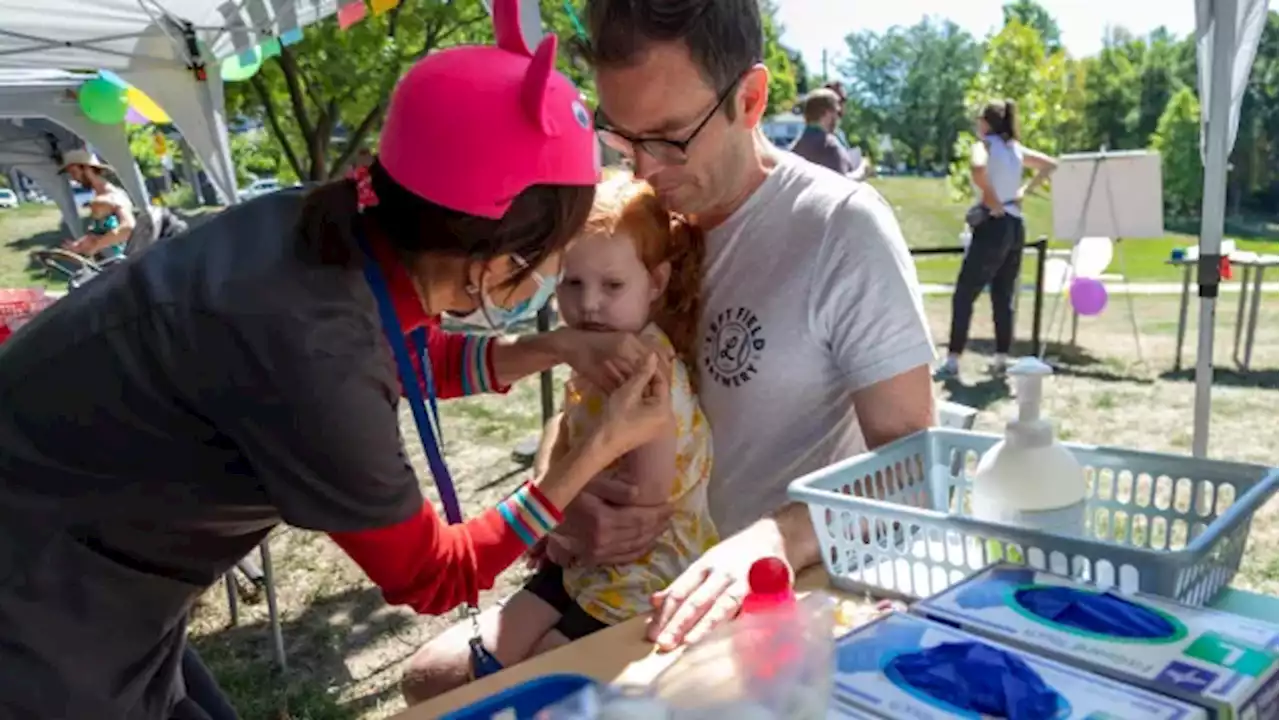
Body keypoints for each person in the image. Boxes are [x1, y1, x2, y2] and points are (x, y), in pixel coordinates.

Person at [0, 6, 672, 718]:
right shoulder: (307, 344)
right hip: (38, 607)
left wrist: (554, 346)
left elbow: (408, 355)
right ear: (494, 261)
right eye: (556, 263)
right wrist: (593, 451)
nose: (553, 282)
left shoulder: (337, 230)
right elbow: (433, 576)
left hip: (97, 569)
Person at [402, 0, 936, 702]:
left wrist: (774, 541)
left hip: (760, 603)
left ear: (750, 99)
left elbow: (914, 471)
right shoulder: (637, 223)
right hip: (620, 573)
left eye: (670, 138)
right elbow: (585, 394)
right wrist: (562, 492)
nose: (647, 168)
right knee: (428, 681)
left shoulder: (840, 228)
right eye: (622, 137)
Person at [408, 178, 716, 696]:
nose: (589, 304)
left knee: (536, 687)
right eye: (573, 284)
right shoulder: (596, 350)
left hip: (641, 577)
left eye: (612, 286)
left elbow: (644, 508)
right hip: (578, 558)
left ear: (656, 282)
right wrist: (559, 519)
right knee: (460, 674)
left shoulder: (648, 371)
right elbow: (569, 439)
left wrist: (561, 515)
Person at [937, 99, 1058, 378]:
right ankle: (1001, 358)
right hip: (1016, 225)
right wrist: (1024, 190)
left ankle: (953, 360)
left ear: (986, 122)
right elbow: (1050, 164)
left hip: (993, 224)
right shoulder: (1015, 148)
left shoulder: (984, 145)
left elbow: (978, 170)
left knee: (965, 294)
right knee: (1003, 296)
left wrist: (990, 199)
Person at [59, 148, 136, 252]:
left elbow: (128, 227)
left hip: (122, 263)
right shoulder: (100, 195)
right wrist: (79, 246)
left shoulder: (113, 196)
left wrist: (95, 247)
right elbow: (101, 231)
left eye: (74, 172)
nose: (73, 178)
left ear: (87, 168)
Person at [789, 89, 859, 177]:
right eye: (837, 112)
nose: (838, 117)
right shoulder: (830, 146)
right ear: (828, 113)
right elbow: (843, 183)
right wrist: (862, 172)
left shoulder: (794, 149)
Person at [64, 192, 127, 259]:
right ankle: (77, 247)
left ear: (107, 210)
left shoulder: (110, 221)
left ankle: (80, 249)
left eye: (95, 209)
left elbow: (113, 235)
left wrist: (94, 237)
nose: (92, 211)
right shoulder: (97, 220)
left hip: (113, 251)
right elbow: (92, 233)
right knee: (90, 240)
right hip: (101, 250)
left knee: (93, 241)